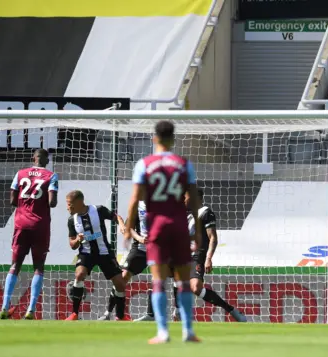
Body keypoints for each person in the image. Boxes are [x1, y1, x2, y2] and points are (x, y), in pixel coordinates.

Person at [123, 120, 201, 343]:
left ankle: (163, 332)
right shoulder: (184, 164)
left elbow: (134, 198)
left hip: (156, 227)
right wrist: (195, 228)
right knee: (183, 281)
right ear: (173, 139)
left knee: (158, 281)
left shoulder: (144, 164)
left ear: (154, 138)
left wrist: (128, 229)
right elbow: (193, 200)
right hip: (178, 226)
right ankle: (188, 331)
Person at [136, 189, 247, 322]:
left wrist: (208, 258)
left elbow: (213, 238)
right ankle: (152, 314)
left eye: (185, 197)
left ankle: (231, 309)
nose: (183, 200)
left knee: (196, 288)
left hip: (196, 256)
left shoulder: (206, 212)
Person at [1, 149, 58, 319]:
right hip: (39, 225)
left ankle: (5, 306)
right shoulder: (51, 176)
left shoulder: (20, 174)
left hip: (21, 224)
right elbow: (52, 202)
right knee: (38, 268)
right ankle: (31, 310)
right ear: (47, 160)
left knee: (14, 266)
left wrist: (24, 204)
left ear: (33, 158)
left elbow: (12, 200)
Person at [66, 190, 128, 321]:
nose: (68, 207)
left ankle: (120, 316)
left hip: (104, 252)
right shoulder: (72, 220)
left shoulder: (98, 210)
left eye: (70, 204)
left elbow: (116, 217)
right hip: (86, 253)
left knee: (120, 283)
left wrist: (122, 225)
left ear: (79, 202)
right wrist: (77, 239)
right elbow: (72, 244)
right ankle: (74, 314)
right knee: (79, 274)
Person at [100, 200, 148, 321]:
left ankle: (154, 315)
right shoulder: (138, 205)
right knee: (123, 277)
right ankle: (108, 313)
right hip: (141, 249)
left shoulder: (164, 204)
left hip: (159, 250)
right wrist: (140, 238)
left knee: (162, 279)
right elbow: (128, 227)